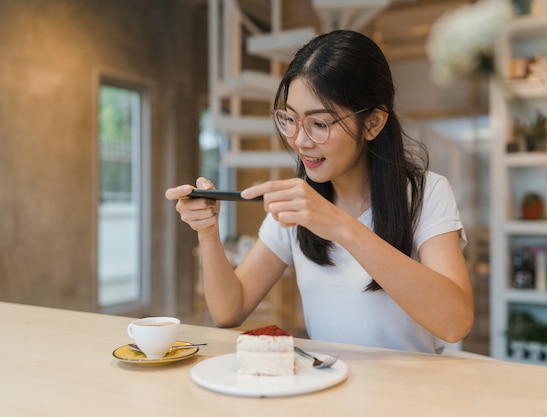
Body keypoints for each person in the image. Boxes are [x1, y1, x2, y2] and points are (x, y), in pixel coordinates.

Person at [165, 29, 473, 353]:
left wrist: (339, 225)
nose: (299, 140)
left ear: (373, 123)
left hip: (408, 395)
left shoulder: (427, 193)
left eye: (320, 124)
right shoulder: (298, 204)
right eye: (290, 119)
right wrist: (208, 232)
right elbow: (229, 310)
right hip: (326, 389)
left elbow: (454, 322)